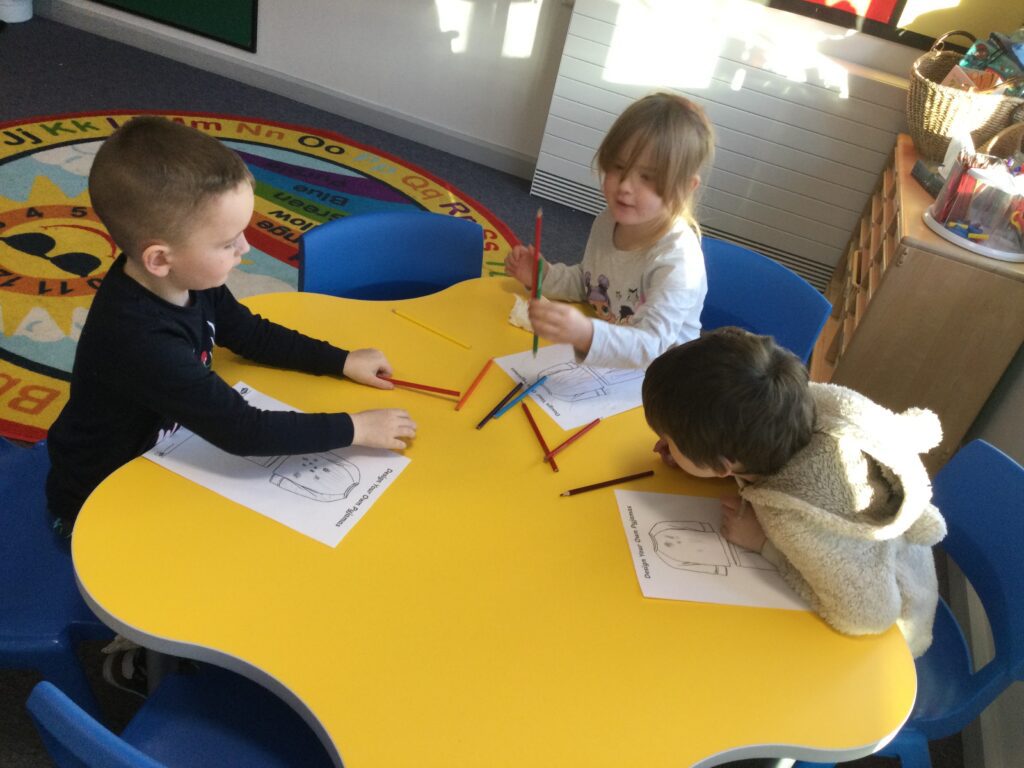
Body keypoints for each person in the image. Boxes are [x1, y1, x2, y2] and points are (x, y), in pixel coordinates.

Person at [46, 116, 417, 535]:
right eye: (227, 242)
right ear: (160, 259)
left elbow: (249, 333)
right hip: (98, 498)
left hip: (160, 455)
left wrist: (341, 360)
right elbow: (244, 431)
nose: (246, 248)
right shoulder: (141, 339)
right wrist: (356, 428)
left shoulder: (188, 280)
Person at [641, 327, 947, 657]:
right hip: (870, 557)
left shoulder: (796, 516)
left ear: (722, 466)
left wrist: (762, 543)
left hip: (893, 627)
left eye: (670, 439)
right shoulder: (787, 402)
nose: (664, 443)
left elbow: (869, 617)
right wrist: (693, 456)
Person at [505, 92, 714, 369]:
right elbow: (589, 282)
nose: (625, 186)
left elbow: (652, 346)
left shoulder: (678, 261)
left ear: (685, 187)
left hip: (662, 377)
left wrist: (586, 333)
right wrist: (544, 277)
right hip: (609, 362)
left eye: (647, 177)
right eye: (618, 167)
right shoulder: (609, 221)